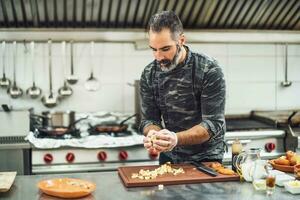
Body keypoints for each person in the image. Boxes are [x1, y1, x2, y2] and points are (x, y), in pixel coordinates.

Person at [139, 10, 226, 165]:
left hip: (206, 159)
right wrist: (155, 135)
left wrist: (176, 139)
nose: (158, 57)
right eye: (153, 49)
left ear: (181, 40)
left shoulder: (208, 69)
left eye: (165, 49)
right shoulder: (149, 74)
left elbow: (213, 124)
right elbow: (149, 119)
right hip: (169, 159)